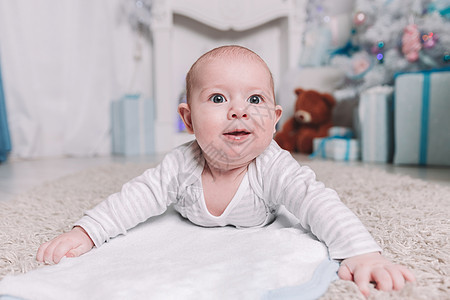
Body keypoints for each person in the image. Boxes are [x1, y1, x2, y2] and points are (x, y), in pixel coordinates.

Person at [37, 45, 415, 297]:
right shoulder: (180, 165)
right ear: (187, 119)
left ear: (274, 120)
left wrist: (363, 253)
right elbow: (134, 197)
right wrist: (85, 231)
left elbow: (318, 203)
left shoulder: (273, 166)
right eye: (218, 99)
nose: (239, 110)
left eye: (255, 99)